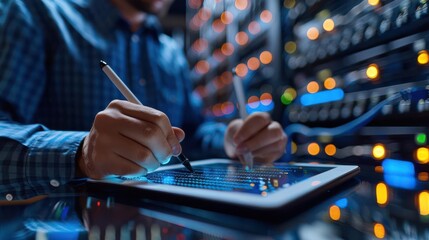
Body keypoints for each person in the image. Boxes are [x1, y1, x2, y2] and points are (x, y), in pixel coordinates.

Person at [0, 0, 287, 196]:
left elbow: (193, 129)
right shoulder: (38, 13)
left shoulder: (170, 52)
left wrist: (231, 140)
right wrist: (82, 153)